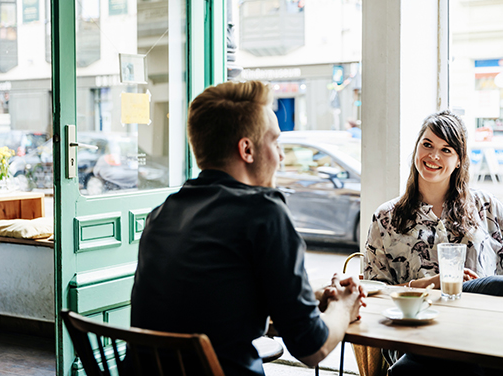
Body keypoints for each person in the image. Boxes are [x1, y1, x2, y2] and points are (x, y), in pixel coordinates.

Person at [130, 80, 365, 376]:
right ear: (247, 149)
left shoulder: (162, 213)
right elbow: (311, 348)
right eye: (276, 143)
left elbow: (215, 310)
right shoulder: (264, 211)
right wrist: (345, 305)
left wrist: (310, 297)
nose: (281, 157)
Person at [364, 111, 503, 376]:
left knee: (501, 292)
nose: (434, 156)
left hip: (485, 331)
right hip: (417, 334)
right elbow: (373, 295)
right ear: (417, 148)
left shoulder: (485, 206)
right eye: (427, 145)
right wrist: (427, 285)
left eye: (446, 150)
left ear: (459, 161)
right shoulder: (386, 217)